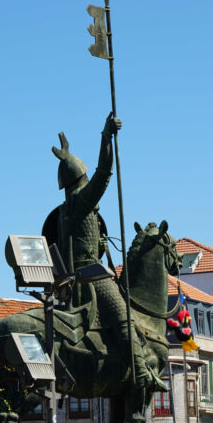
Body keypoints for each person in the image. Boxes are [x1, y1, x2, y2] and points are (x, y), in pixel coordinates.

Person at [42, 112, 164, 391]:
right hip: (89, 276)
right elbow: (105, 173)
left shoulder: (67, 208)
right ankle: (142, 373)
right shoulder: (80, 201)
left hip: (78, 274)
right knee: (124, 317)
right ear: (80, 178)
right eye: (85, 177)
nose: (88, 181)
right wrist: (105, 136)